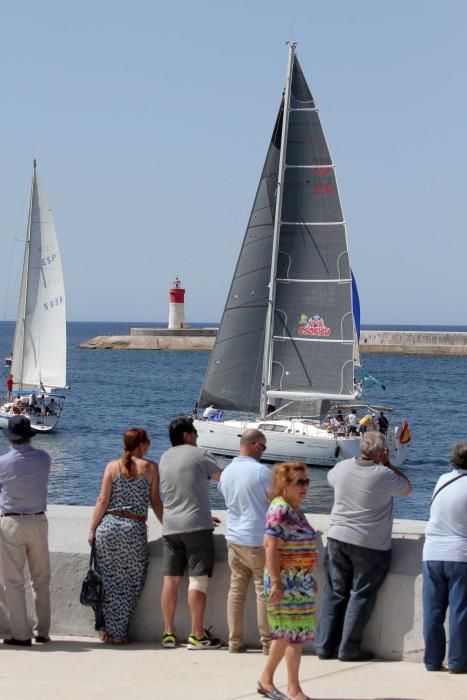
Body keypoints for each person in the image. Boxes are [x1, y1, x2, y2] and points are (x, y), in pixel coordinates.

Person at [315, 431, 412, 662]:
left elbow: (331, 479)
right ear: (380, 453)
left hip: (338, 538)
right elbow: (407, 488)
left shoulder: (341, 468)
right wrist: (388, 464)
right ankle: (348, 649)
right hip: (370, 544)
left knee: (335, 593)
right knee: (360, 595)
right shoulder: (384, 474)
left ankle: (323, 645)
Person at [88, 427, 163, 644]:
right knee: (131, 582)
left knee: (108, 582)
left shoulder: (112, 467)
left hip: (108, 528)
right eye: (147, 442)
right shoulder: (150, 468)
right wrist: (167, 525)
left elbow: (102, 500)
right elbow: (155, 502)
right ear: (141, 445)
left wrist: (93, 528)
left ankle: (108, 631)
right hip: (133, 529)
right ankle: (119, 633)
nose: (149, 446)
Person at [159, 416, 222, 650]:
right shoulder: (200, 454)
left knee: (170, 580)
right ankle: (197, 634)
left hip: (170, 527)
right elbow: (223, 479)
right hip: (196, 526)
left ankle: (168, 632)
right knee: (198, 581)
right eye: (194, 432)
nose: (197, 435)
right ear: (186, 435)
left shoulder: (164, 457)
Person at [258, 462, 318, 700]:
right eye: (298, 482)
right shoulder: (280, 509)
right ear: (284, 484)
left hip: (299, 582)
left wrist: (309, 577)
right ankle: (294, 689)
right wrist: (275, 582)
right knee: (294, 635)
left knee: (286, 636)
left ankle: (266, 680)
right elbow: (270, 545)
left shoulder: (294, 509)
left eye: (306, 482)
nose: (304, 487)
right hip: (285, 583)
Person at [218, 429, 272, 654]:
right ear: (255, 445)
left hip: (234, 537)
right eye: (263, 446)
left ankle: (234, 641)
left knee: (236, 590)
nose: (263, 451)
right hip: (257, 538)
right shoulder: (262, 472)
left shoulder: (226, 473)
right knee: (263, 590)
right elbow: (277, 502)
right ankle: (267, 642)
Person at [0, 415, 51, 646]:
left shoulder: (3, 463)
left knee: (14, 581)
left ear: (10, 438)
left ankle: (21, 634)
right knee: (41, 579)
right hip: (38, 521)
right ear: (30, 436)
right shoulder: (45, 459)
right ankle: (43, 631)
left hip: (12, 523)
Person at [422, 442, 467, 673]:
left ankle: (431, 660)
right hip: (460, 555)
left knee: (433, 611)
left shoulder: (441, 480)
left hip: (431, 552)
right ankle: (458, 661)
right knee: (460, 610)